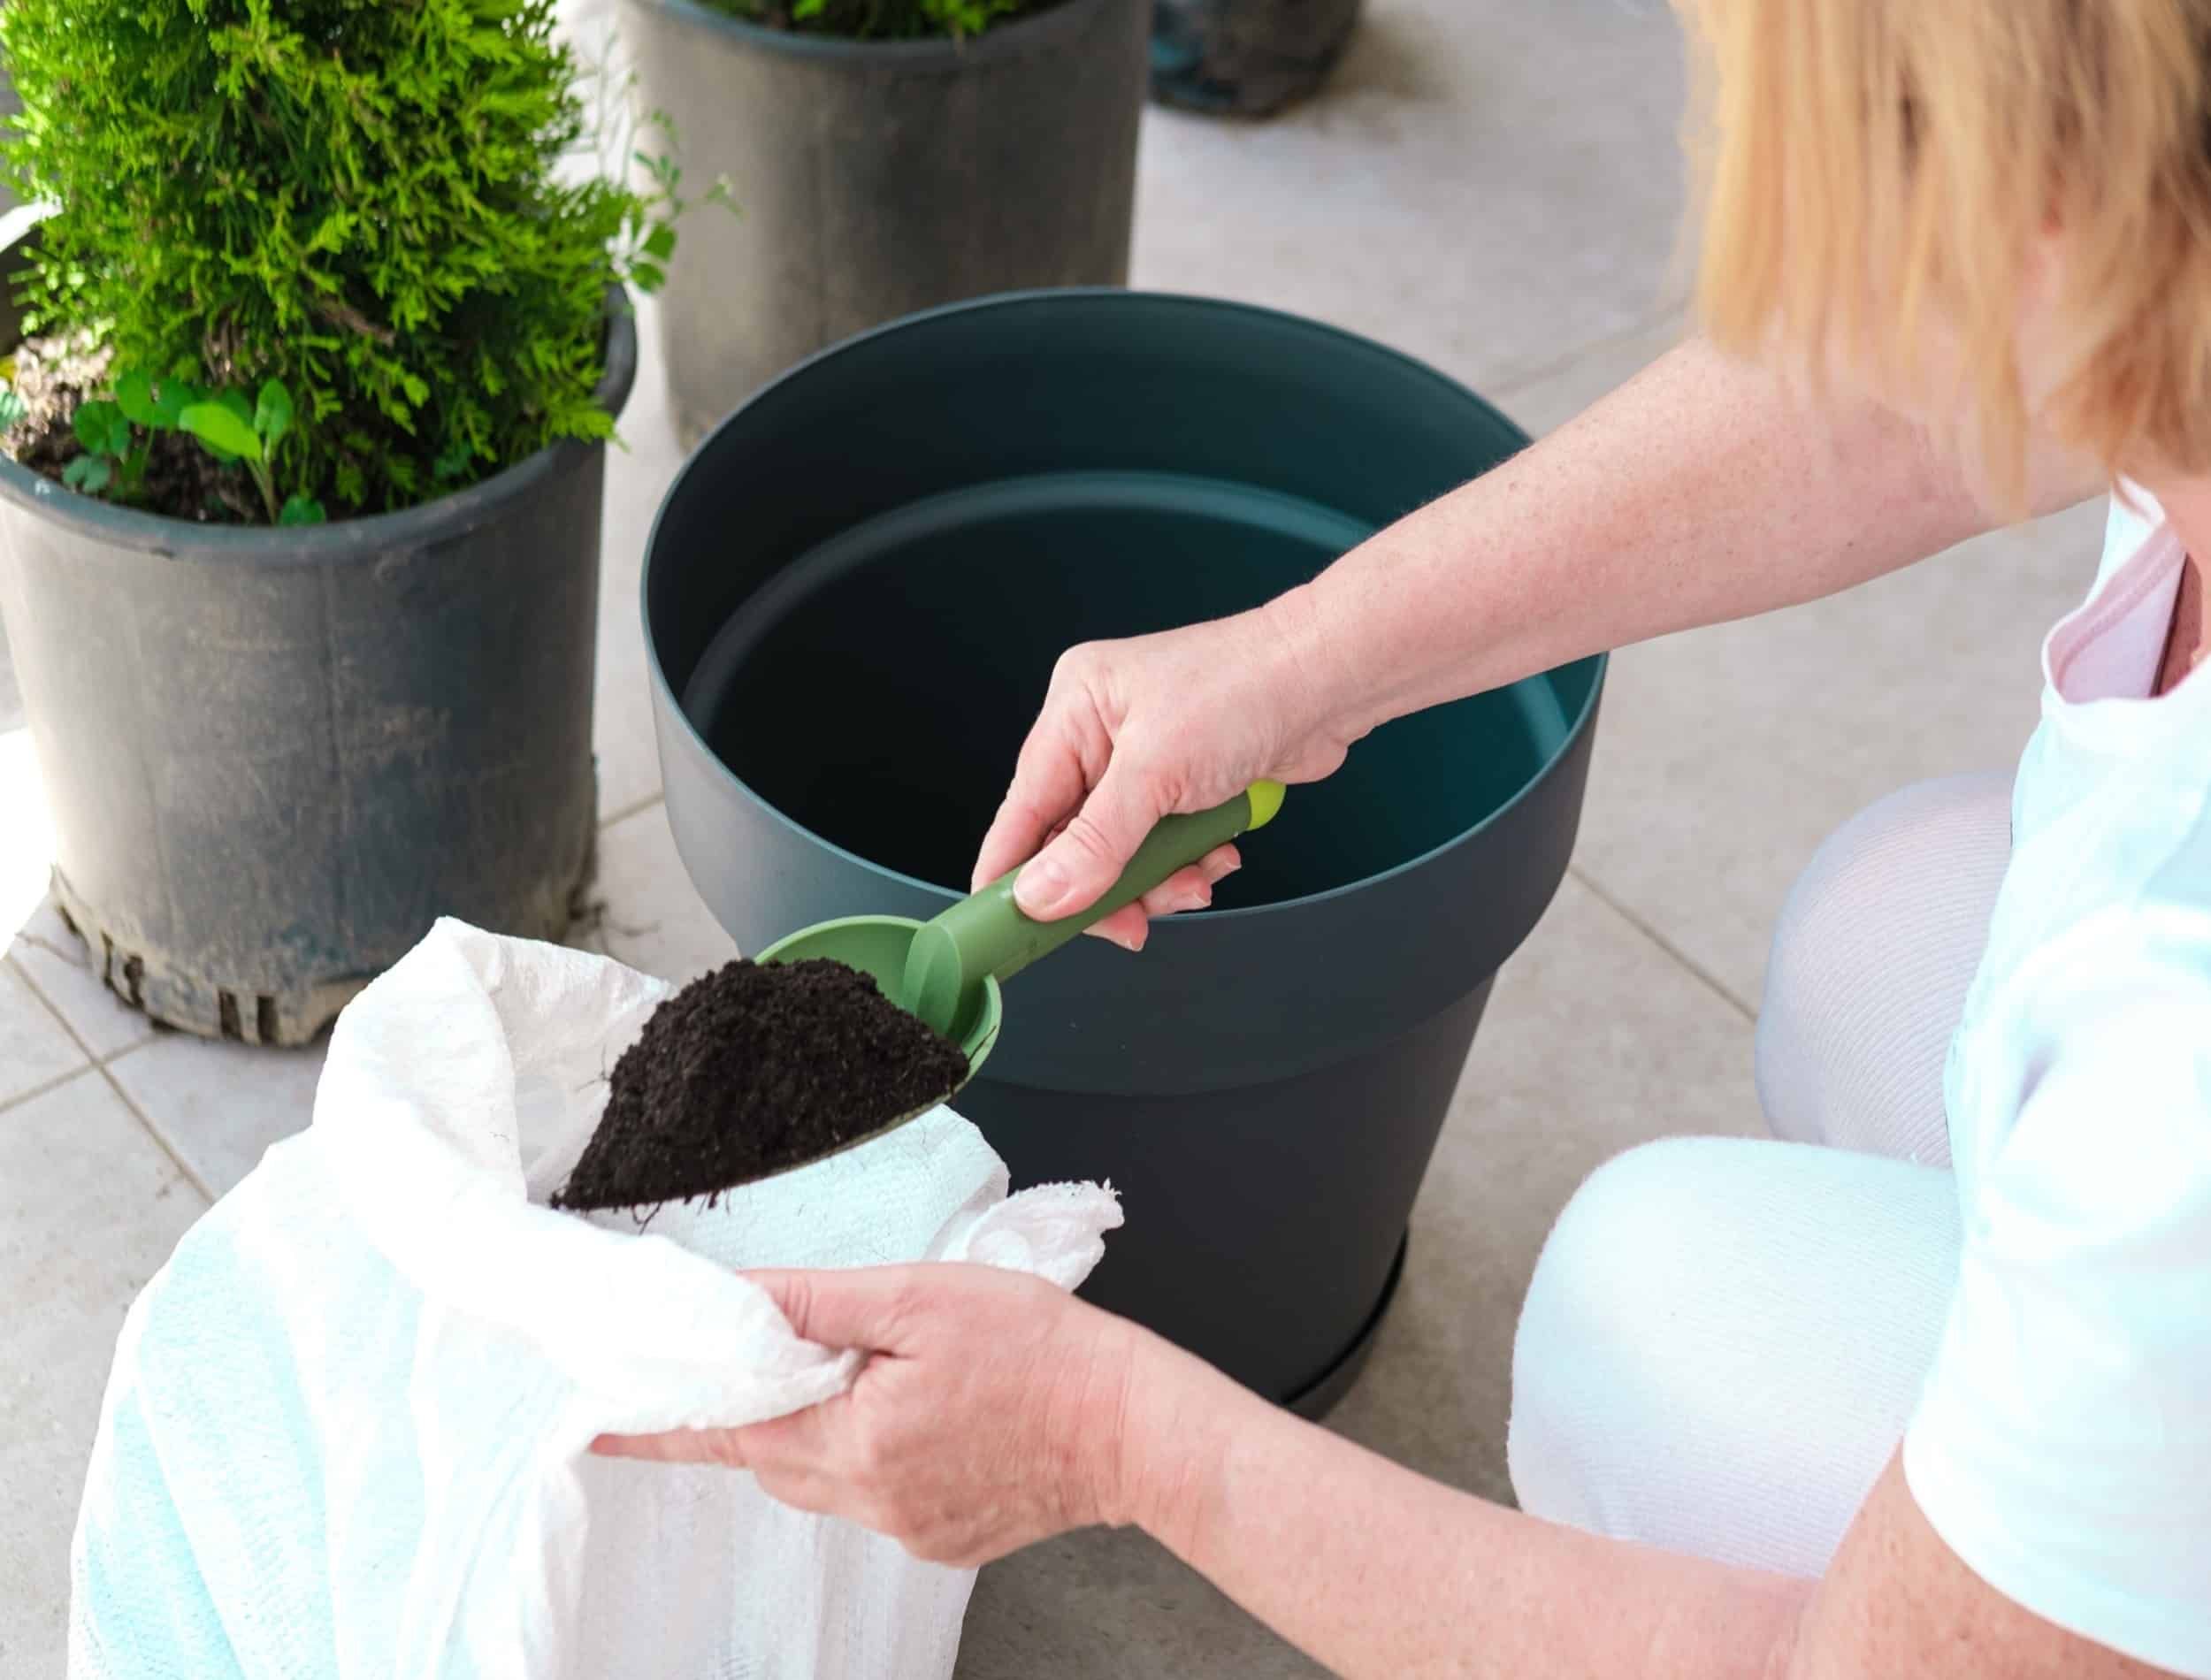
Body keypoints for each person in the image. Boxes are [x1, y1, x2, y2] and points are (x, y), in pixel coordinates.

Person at [598, 3, 2211, 1674]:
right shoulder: (2172, 291)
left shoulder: (2182, 1030)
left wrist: (1121, 1441)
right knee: (1881, 937)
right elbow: (1917, 368)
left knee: (1640, 1314)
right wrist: (1302, 658)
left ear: (2059, 197)